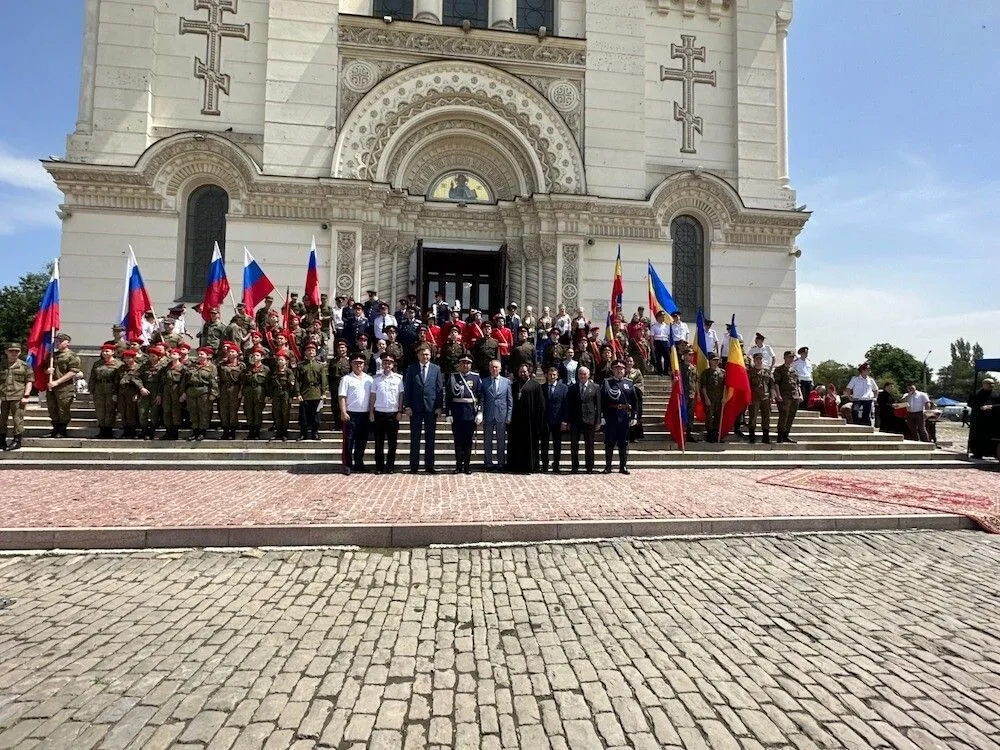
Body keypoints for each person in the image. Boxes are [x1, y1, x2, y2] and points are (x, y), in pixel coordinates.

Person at [402, 345, 443, 474]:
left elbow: (439, 389)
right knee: (415, 438)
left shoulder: (436, 369)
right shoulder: (412, 369)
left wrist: (439, 407)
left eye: (427, 354)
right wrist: (407, 406)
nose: (425, 356)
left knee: (430, 438)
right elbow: (407, 388)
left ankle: (429, 466)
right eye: (422, 354)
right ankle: (414, 466)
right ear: (418, 356)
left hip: (431, 408)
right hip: (415, 408)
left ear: (430, 356)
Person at [601, 360, 638, 474]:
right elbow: (602, 400)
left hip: (624, 416)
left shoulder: (629, 383)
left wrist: (634, 416)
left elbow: (635, 401)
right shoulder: (607, 382)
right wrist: (602, 416)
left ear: (625, 370)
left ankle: (623, 466)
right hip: (611, 415)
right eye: (616, 369)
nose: (619, 371)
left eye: (621, 369)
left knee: (624, 442)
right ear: (612, 370)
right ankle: (608, 466)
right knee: (609, 442)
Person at [446, 355, 482, 474]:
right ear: (459, 364)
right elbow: (448, 396)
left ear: (471, 365)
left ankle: (467, 465)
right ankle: (458, 465)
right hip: (457, 413)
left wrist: (480, 412)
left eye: (468, 363)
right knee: (458, 441)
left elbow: (480, 396)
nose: (465, 365)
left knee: (468, 441)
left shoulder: (476, 377)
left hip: (470, 414)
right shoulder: (453, 377)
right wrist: (448, 413)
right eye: (463, 363)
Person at [338, 353, 373, 474]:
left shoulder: (369, 379)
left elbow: (372, 397)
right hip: (350, 414)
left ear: (364, 364)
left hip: (365, 414)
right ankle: (347, 464)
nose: (358, 365)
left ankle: (359, 462)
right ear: (351, 364)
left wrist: (371, 412)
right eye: (356, 363)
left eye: (361, 363)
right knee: (348, 440)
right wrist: (343, 411)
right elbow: (342, 396)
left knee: (362, 440)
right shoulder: (346, 379)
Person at [369, 353, 404, 474]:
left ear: (393, 364)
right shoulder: (376, 379)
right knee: (378, 443)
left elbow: (401, 396)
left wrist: (400, 411)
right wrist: (371, 412)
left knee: (392, 443)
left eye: (390, 363)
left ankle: (390, 467)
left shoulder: (399, 379)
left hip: (393, 414)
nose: (387, 364)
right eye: (385, 362)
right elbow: (372, 396)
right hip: (379, 413)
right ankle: (379, 467)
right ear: (382, 364)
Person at [507, 364, 545, 473]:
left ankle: (530, 466)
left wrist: (538, 421)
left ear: (529, 372)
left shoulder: (535, 386)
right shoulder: (514, 385)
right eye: (520, 372)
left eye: (524, 372)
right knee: (516, 443)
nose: (522, 374)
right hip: (516, 421)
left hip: (530, 421)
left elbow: (540, 405)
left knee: (530, 444)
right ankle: (516, 466)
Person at [480, 359, 512, 471]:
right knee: (487, 440)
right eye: (492, 367)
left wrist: (508, 416)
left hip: (501, 415)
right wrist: (481, 413)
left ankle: (501, 463)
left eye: (496, 367)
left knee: (501, 440)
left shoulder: (506, 382)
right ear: (489, 369)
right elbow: (482, 399)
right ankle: (488, 463)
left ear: (500, 369)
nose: (494, 369)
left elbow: (509, 401)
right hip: (488, 414)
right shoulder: (484, 382)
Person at [567, 366, 601, 473]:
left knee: (589, 444)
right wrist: (568, 421)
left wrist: (598, 421)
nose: (582, 376)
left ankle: (589, 467)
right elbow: (569, 405)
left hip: (589, 419)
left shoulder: (595, 387)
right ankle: (575, 466)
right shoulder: (572, 388)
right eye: (580, 374)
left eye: (584, 374)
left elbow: (598, 405)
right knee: (574, 445)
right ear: (577, 375)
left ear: (588, 375)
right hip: (575, 420)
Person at [0, 342, 33, 451]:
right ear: (6, 351)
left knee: (17, 420)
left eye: (16, 351)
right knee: (1, 420)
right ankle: (1, 440)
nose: (14, 353)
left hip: (18, 397)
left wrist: (26, 396)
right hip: (3, 397)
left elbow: (29, 381)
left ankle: (17, 441)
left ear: (20, 352)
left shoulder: (25, 366)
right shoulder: (2, 365)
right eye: (11, 351)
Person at [182, 346, 218, 441]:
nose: (199, 355)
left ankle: (202, 431)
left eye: (202, 354)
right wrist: (183, 392)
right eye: (198, 354)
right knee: (193, 411)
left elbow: (214, 381)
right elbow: (185, 380)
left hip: (204, 391)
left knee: (203, 411)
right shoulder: (192, 366)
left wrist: (213, 393)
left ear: (207, 356)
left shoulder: (211, 367)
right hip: (191, 390)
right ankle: (195, 431)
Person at [90, 343, 123, 438]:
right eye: (103, 351)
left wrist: (116, 392)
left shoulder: (119, 364)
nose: (104, 353)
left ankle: (108, 430)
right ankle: (102, 429)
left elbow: (119, 379)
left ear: (113, 352)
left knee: (110, 409)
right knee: (100, 409)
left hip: (111, 388)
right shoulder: (97, 364)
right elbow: (93, 378)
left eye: (107, 351)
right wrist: (91, 390)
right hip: (99, 388)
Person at [541, 366, 569, 472]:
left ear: (557, 376)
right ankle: (545, 464)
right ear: (547, 375)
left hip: (558, 420)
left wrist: (564, 421)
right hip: (545, 420)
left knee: (557, 443)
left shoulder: (563, 388)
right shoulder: (542, 387)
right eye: (550, 374)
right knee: (544, 443)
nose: (552, 376)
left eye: (554, 375)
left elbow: (566, 405)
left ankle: (556, 464)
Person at [297, 342, 327, 440]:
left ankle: (315, 433)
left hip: (316, 393)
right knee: (303, 416)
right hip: (304, 393)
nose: (310, 352)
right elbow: (297, 380)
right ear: (305, 352)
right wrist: (298, 393)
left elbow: (323, 380)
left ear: (315, 352)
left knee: (315, 415)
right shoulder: (301, 365)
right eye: (308, 350)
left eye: (313, 350)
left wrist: (323, 393)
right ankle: (303, 433)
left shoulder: (319, 366)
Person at [747, 352, 776, 444]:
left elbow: (772, 385)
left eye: (760, 359)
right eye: (757, 359)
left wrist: (773, 396)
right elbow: (747, 386)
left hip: (766, 397)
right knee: (753, 417)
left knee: (766, 417)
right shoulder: (750, 372)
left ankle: (765, 436)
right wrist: (748, 398)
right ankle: (752, 436)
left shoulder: (767, 372)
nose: (759, 361)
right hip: (754, 398)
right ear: (754, 360)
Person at [217, 343, 244, 440]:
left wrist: (241, 391)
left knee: (233, 411)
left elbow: (243, 380)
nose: (230, 353)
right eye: (229, 352)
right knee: (224, 410)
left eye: (232, 351)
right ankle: (225, 430)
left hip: (235, 388)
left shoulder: (241, 366)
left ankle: (232, 431)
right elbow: (218, 378)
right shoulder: (221, 364)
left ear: (237, 353)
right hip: (224, 388)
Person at [773, 350, 801, 443]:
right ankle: (780, 436)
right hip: (784, 396)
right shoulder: (779, 369)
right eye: (789, 357)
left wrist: (800, 394)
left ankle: (786, 435)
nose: (791, 359)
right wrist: (778, 395)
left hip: (794, 396)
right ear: (784, 357)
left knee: (791, 416)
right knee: (783, 416)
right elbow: (776, 383)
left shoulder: (794, 370)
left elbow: (797, 384)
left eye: (792, 357)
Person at [242, 346, 270, 440]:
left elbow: (267, 383)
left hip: (259, 390)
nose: (255, 357)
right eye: (254, 355)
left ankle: (257, 432)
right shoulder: (249, 368)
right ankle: (251, 432)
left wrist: (267, 395)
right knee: (249, 411)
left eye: (257, 355)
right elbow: (244, 381)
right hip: (249, 391)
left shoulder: (266, 369)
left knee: (257, 411)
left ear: (262, 357)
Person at [967, 378, 999, 459]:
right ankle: (977, 453)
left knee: (989, 437)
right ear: (983, 384)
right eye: (989, 384)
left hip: (991, 420)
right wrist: (980, 407)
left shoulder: (996, 395)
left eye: (992, 384)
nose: (991, 386)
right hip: (978, 419)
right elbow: (970, 403)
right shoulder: (976, 394)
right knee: (977, 437)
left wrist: (991, 406)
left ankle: (990, 453)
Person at [699, 353, 726, 443]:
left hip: (719, 399)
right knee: (709, 417)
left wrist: (724, 397)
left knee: (718, 417)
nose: (716, 362)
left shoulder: (723, 372)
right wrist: (706, 398)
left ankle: (716, 434)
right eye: (714, 360)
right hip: (710, 399)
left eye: (717, 360)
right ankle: (710, 435)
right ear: (710, 361)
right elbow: (703, 387)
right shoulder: (706, 372)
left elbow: (725, 386)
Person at [650, 311, 671, 375]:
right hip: (658, 342)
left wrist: (669, 345)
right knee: (658, 357)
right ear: (658, 317)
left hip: (665, 342)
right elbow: (652, 337)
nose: (663, 318)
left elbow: (669, 336)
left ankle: (665, 371)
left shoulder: (667, 326)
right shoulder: (654, 326)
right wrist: (652, 346)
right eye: (662, 317)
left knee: (667, 357)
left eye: (664, 317)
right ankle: (660, 371)